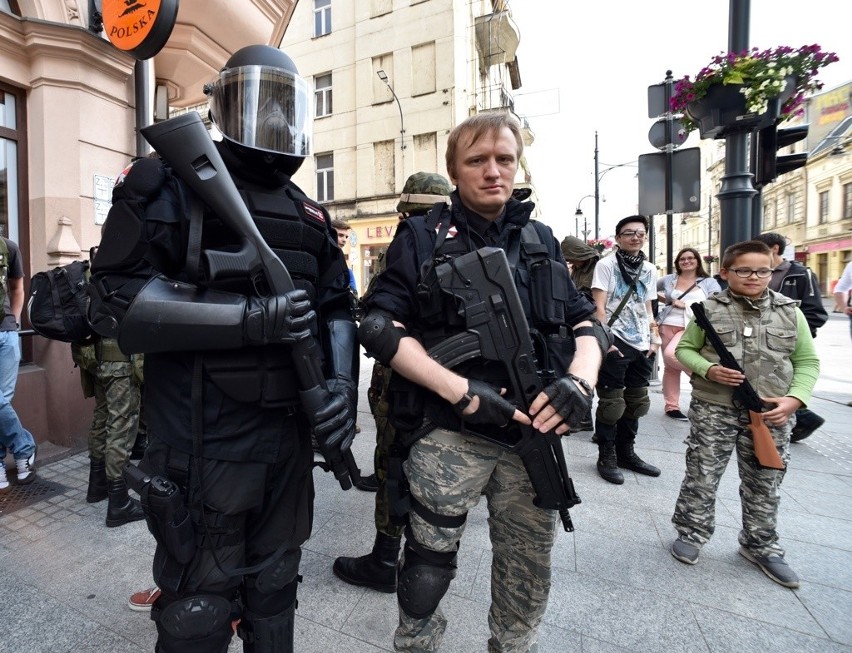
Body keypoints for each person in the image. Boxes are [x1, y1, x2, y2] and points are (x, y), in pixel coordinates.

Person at [88, 45, 358, 653]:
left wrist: (342, 387)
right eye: (259, 100)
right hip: (200, 438)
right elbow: (110, 298)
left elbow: (339, 307)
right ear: (225, 104)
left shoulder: (307, 215)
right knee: (199, 609)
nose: (274, 120)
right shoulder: (167, 184)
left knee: (275, 596)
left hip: (288, 437)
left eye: (288, 105)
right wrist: (249, 319)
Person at [358, 112, 604, 652]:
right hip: (449, 433)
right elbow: (378, 325)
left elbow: (587, 323)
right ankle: (417, 644)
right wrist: (460, 390)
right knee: (427, 566)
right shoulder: (422, 236)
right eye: (477, 160)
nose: (493, 172)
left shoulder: (541, 239)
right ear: (454, 170)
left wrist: (579, 383)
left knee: (527, 568)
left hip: (534, 431)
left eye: (504, 159)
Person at [671, 240, 819, 589]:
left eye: (763, 270)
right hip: (714, 409)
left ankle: (761, 544)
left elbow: (807, 362)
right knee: (702, 475)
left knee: (765, 481)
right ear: (725, 272)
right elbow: (684, 350)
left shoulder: (789, 311)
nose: (754, 277)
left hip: (769, 414)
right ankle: (691, 533)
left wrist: (795, 399)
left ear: (773, 270)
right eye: (744, 270)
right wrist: (709, 370)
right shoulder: (708, 309)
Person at [333, 171, 452, 594]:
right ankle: (429, 555)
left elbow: (379, 315)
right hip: (449, 378)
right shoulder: (466, 241)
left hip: (402, 374)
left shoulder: (406, 243)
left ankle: (385, 559)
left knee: (394, 461)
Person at [591, 216, 661, 484]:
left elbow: (648, 307)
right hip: (616, 340)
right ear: (618, 237)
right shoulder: (606, 265)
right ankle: (606, 455)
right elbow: (600, 307)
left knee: (637, 401)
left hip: (642, 343)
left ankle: (626, 452)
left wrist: (654, 339)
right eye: (629, 233)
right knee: (611, 403)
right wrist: (606, 341)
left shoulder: (650, 269)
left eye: (640, 233)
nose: (635, 237)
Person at [753, 233, 828, 442]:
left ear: (774, 249)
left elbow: (815, 313)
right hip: (753, 343)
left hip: (783, 345)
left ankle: (800, 417)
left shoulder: (801, 274)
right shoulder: (755, 275)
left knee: (779, 385)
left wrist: (789, 337)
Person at [71, 334, 144, 527]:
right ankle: (119, 503)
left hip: (97, 358)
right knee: (120, 427)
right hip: (121, 361)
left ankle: (98, 486)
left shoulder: (94, 300)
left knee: (101, 419)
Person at [656, 247, 721, 421]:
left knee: (672, 355)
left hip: (690, 326)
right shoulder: (670, 279)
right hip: (667, 324)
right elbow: (649, 288)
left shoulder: (708, 282)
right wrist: (669, 300)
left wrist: (685, 305)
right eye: (682, 259)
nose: (686, 261)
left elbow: (715, 304)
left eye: (690, 258)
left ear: (698, 261)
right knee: (670, 368)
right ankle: (671, 406)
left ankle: (704, 378)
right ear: (677, 262)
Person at [0, 236, 37, 492]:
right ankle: (24, 447)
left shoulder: (8, 247)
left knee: (4, 399)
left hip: (6, 334)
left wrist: (12, 323)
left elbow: (17, 288)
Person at [561, 235, 601, 432]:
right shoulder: (577, 269)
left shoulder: (598, 268)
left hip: (593, 322)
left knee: (587, 369)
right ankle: (584, 417)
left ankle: (585, 417)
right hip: (580, 321)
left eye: (571, 258)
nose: (570, 262)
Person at [331, 218, 358, 294]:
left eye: (346, 237)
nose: (344, 240)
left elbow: (353, 294)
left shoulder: (348, 271)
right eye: (340, 235)